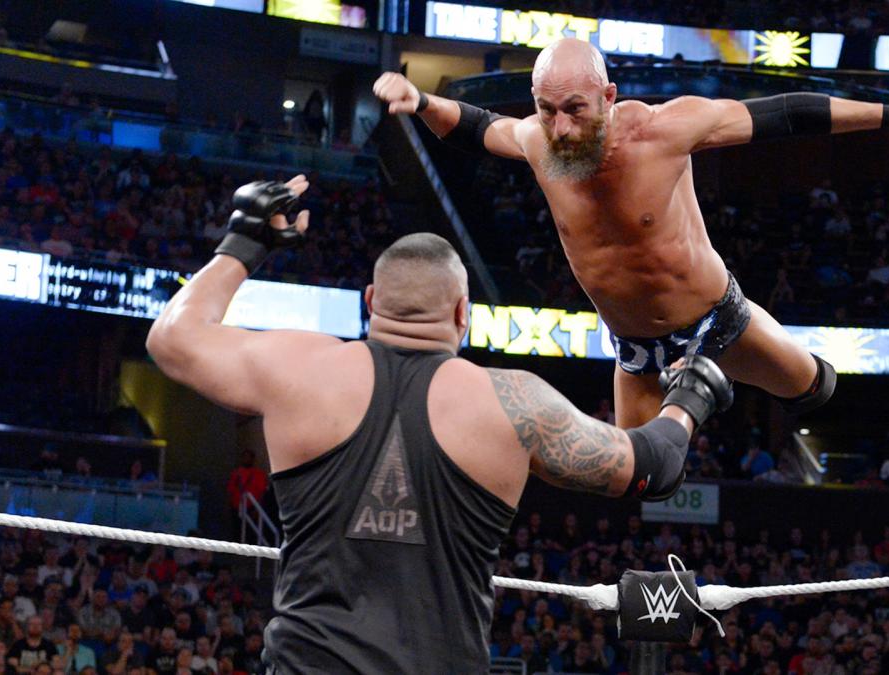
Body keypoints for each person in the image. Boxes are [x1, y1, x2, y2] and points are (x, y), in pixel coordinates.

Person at [146, 178, 733, 671]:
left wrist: (245, 241)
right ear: (462, 313)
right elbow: (653, 467)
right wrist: (690, 396)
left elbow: (172, 339)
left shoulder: (298, 368)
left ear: (370, 301)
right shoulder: (513, 403)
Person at [375, 39, 889, 427]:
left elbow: (786, 114)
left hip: (715, 319)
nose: (561, 127)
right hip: (635, 349)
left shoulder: (665, 131)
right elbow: (476, 127)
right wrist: (420, 99)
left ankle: (711, 378)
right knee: (646, 482)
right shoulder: (538, 141)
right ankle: (693, 397)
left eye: (574, 109)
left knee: (815, 389)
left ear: (608, 98)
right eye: (546, 110)